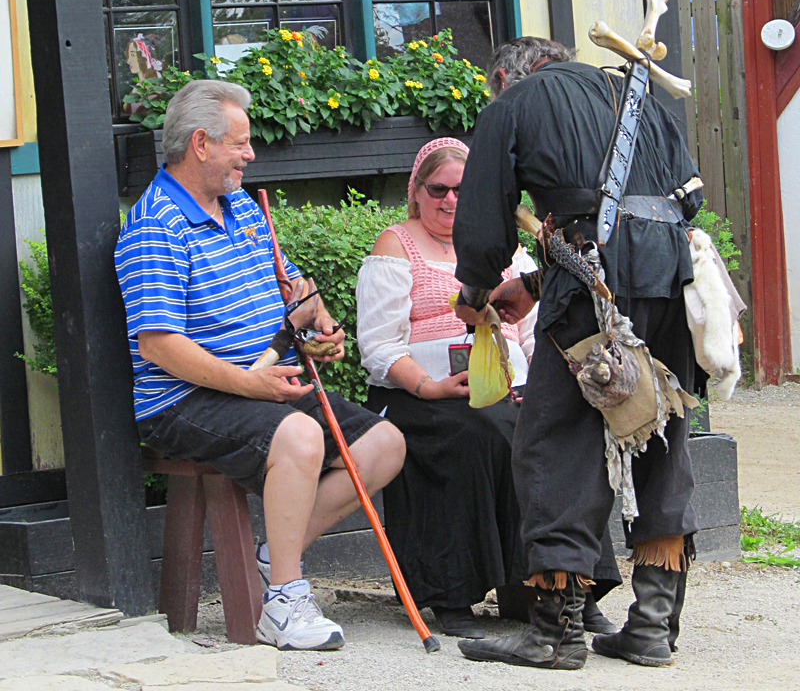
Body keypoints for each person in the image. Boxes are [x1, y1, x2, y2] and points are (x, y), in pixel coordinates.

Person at [114, 79, 406, 652]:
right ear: (201, 143)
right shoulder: (156, 225)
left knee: (385, 444)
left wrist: (317, 322)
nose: (251, 155)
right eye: (240, 144)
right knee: (298, 433)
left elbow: (294, 287)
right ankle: (285, 599)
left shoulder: (242, 205)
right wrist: (248, 380)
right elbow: (159, 345)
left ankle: (280, 550)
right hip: (184, 400)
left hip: (261, 383)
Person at [452, 37, 703, 670]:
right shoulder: (641, 92)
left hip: (590, 292)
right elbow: (684, 202)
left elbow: (484, 222)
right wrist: (536, 284)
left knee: (557, 443)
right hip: (671, 282)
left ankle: (554, 631)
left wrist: (478, 289)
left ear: (510, 77)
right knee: (659, 434)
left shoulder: (516, 102)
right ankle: (651, 626)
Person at [356, 137, 620, 639]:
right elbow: (379, 346)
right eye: (438, 189)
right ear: (416, 191)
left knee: (557, 433)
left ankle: (565, 585)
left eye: (462, 190)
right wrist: (430, 387)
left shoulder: (505, 249)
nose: (451, 200)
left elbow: (533, 333)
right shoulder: (396, 244)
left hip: (506, 385)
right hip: (419, 393)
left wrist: (553, 385)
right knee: (480, 433)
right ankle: (452, 593)